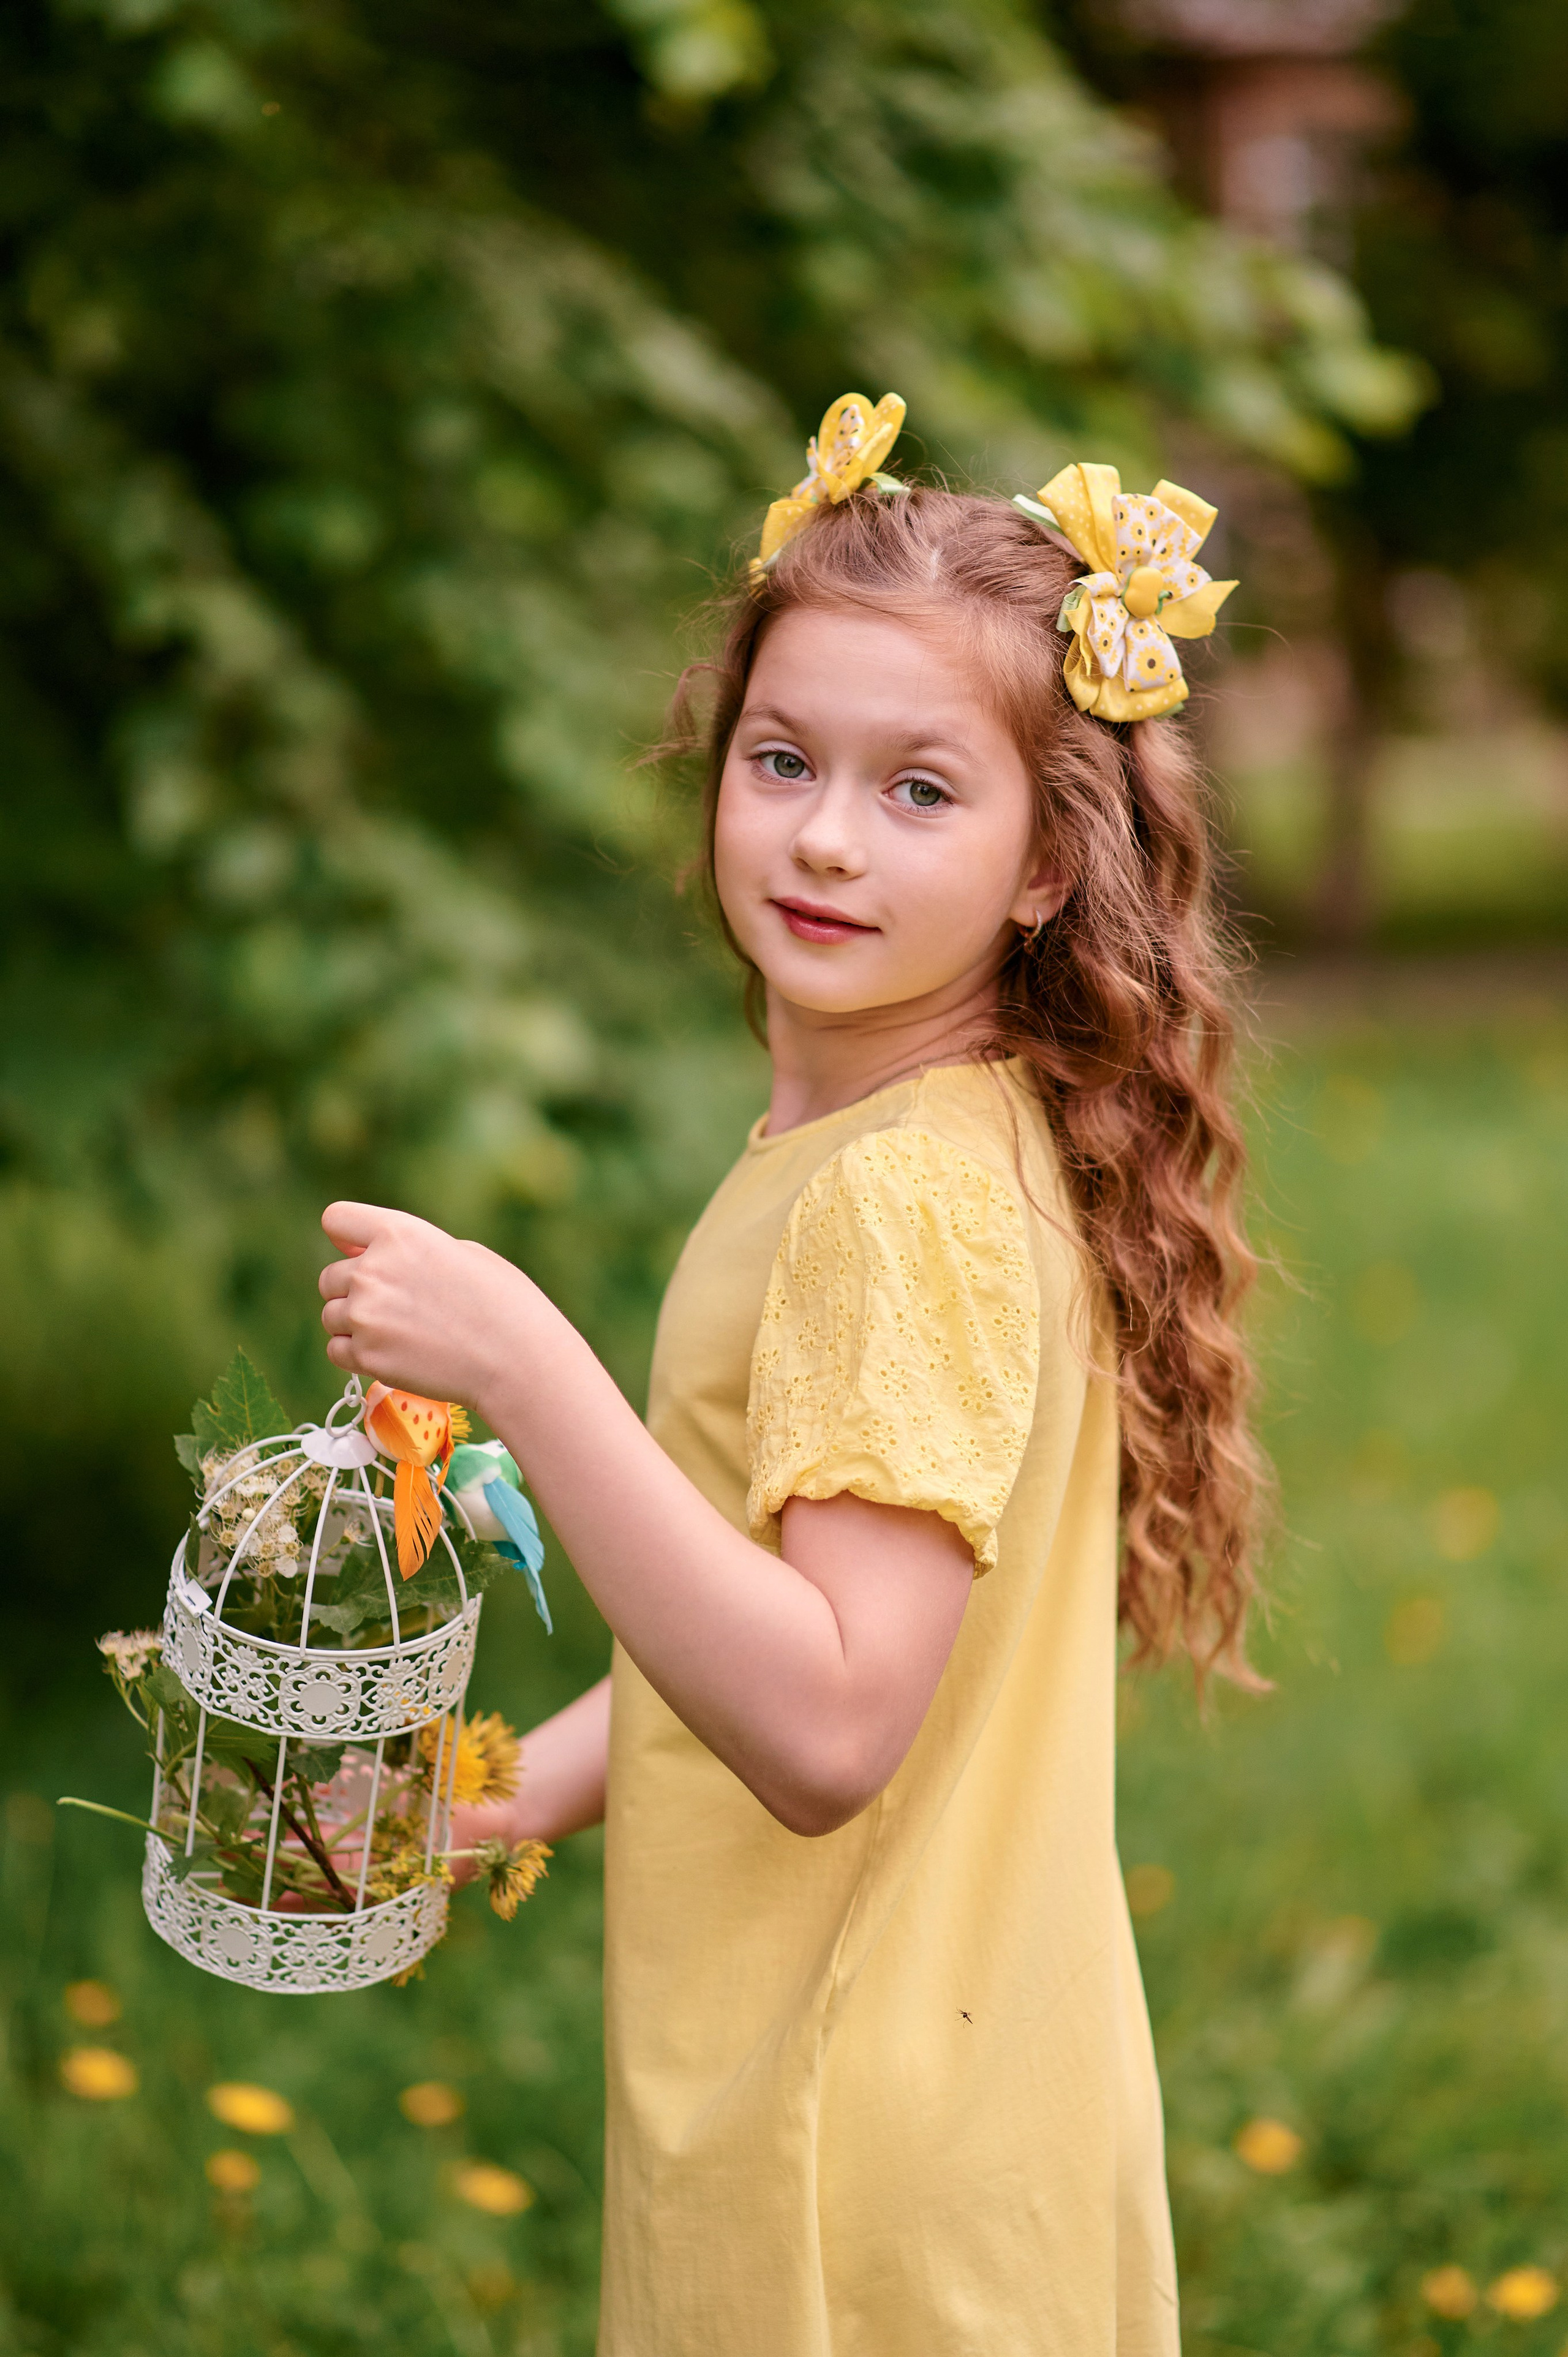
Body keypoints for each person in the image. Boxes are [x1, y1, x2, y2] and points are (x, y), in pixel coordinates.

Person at [317, 396, 1265, 2357]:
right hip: (925, 2100)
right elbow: (780, 1609)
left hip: (854, 2168)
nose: (828, 834)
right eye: (783, 760)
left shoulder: (896, 1205)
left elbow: (830, 1723)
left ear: (1043, 867)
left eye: (921, 789)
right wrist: (487, 1798)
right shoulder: (922, 1144)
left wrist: (525, 1364)